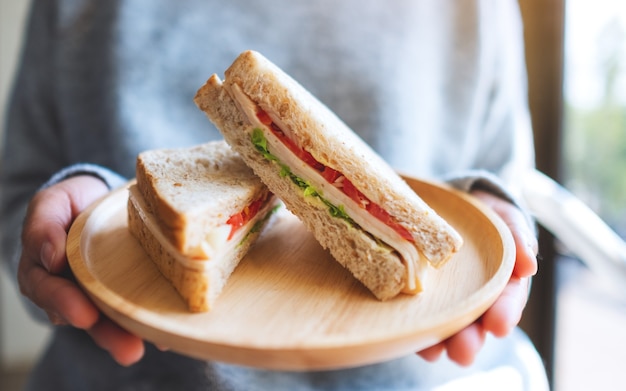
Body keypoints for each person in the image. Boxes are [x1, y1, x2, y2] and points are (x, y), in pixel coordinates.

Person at [1, 0, 549, 389]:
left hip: (428, 378)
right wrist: (69, 213)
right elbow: (17, 190)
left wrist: (496, 207)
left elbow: (503, 172)